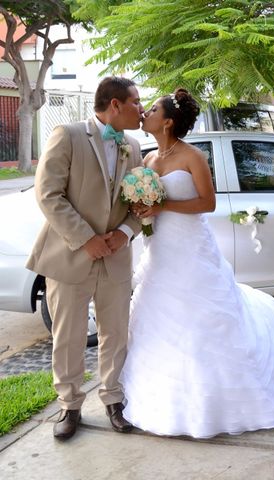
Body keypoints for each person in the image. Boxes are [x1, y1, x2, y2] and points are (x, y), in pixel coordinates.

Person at [120, 89, 274, 438]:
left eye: (152, 109)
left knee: (207, 319)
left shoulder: (192, 156)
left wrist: (163, 206)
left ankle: (219, 401)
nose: (146, 113)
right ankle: (165, 397)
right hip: (160, 251)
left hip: (192, 250)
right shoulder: (149, 159)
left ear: (167, 121)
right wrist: (141, 210)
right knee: (159, 318)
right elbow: (145, 200)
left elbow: (207, 203)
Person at [26, 77, 144, 440]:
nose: (141, 109)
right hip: (70, 256)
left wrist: (124, 233)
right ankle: (70, 406)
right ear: (114, 106)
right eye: (136, 102)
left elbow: (141, 203)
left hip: (115, 258)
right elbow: (48, 194)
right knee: (68, 336)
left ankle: (113, 399)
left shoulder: (134, 147)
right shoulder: (68, 134)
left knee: (115, 334)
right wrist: (86, 239)